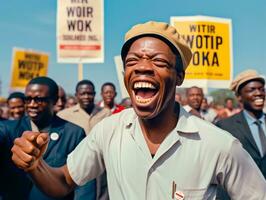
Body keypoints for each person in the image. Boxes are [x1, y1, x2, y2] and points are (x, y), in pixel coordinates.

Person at [11, 21, 266, 199]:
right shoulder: (108, 131)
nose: (142, 67)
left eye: (158, 61)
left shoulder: (219, 145)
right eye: (132, 61)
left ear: (179, 76)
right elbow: (64, 182)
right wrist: (35, 165)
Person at [0, 77, 96, 200]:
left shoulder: (74, 133)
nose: (32, 104)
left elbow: (84, 182)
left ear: (54, 100)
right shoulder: (8, 129)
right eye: (28, 99)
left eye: (39, 99)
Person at [216, 70, 266, 199]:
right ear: (239, 97)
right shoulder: (225, 126)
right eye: (252, 90)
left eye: (261, 89)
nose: (259, 93)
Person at [57, 79, 111, 200]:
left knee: (102, 194)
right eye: (82, 94)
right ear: (76, 95)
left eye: (90, 93)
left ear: (95, 94)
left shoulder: (106, 113)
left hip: (100, 164)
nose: (86, 96)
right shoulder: (64, 115)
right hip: (75, 164)